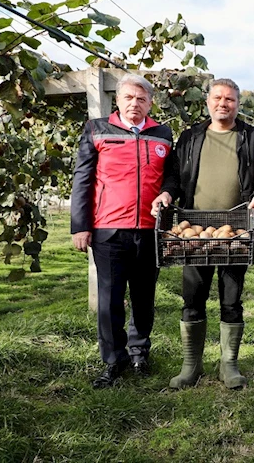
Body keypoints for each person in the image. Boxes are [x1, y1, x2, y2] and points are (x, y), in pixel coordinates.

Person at [153, 78, 254, 391]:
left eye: (229, 99)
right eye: (217, 98)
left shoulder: (253, 137)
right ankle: (191, 364)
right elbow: (174, 176)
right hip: (195, 231)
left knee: (232, 299)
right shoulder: (191, 137)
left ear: (238, 104)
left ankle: (228, 364)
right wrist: (166, 194)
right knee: (193, 297)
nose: (223, 103)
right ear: (208, 102)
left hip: (235, 232)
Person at [71, 74, 177, 388]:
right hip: (108, 230)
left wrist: (168, 192)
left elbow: (172, 176)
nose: (135, 103)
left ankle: (139, 353)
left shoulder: (163, 134)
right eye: (129, 97)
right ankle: (112, 361)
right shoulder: (96, 130)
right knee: (110, 300)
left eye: (141, 98)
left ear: (150, 103)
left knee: (144, 297)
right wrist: (81, 226)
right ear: (118, 100)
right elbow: (82, 180)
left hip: (149, 230)